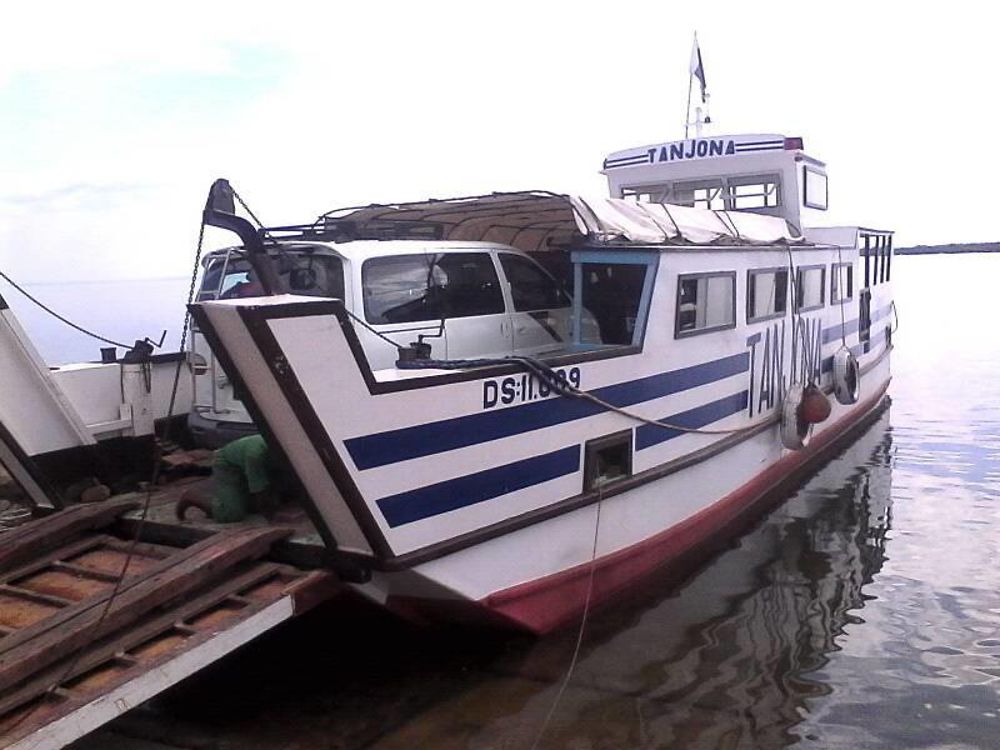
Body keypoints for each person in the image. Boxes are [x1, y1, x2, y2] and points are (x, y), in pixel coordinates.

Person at [176, 435, 281, 523]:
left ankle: (231, 500)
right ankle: (191, 496)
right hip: (228, 464)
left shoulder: (282, 447)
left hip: (250, 460)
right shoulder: (255, 455)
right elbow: (260, 490)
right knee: (232, 514)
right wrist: (271, 519)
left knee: (263, 503)